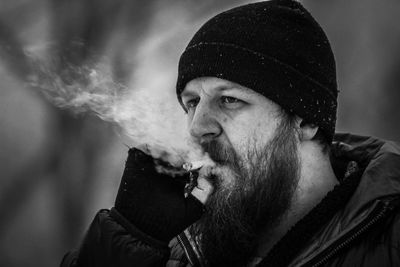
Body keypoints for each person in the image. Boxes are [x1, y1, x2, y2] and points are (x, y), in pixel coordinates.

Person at [61, 0, 400, 266]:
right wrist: (129, 238)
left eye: (229, 100)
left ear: (306, 121)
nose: (197, 127)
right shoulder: (174, 250)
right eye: (192, 102)